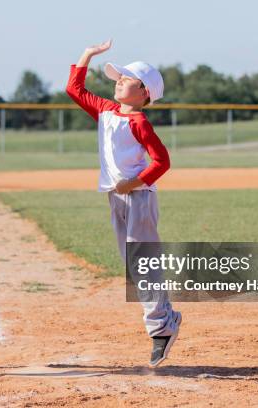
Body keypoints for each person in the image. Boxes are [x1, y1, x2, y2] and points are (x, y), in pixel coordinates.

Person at [66, 39, 182, 368]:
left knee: (142, 265)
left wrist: (134, 183)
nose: (118, 80)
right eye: (118, 76)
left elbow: (162, 161)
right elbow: (74, 89)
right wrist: (87, 54)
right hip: (115, 196)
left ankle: (161, 326)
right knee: (134, 268)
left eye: (127, 78)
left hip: (139, 197)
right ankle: (166, 317)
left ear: (145, 92)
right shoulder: (105, 111)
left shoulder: (140, 123)